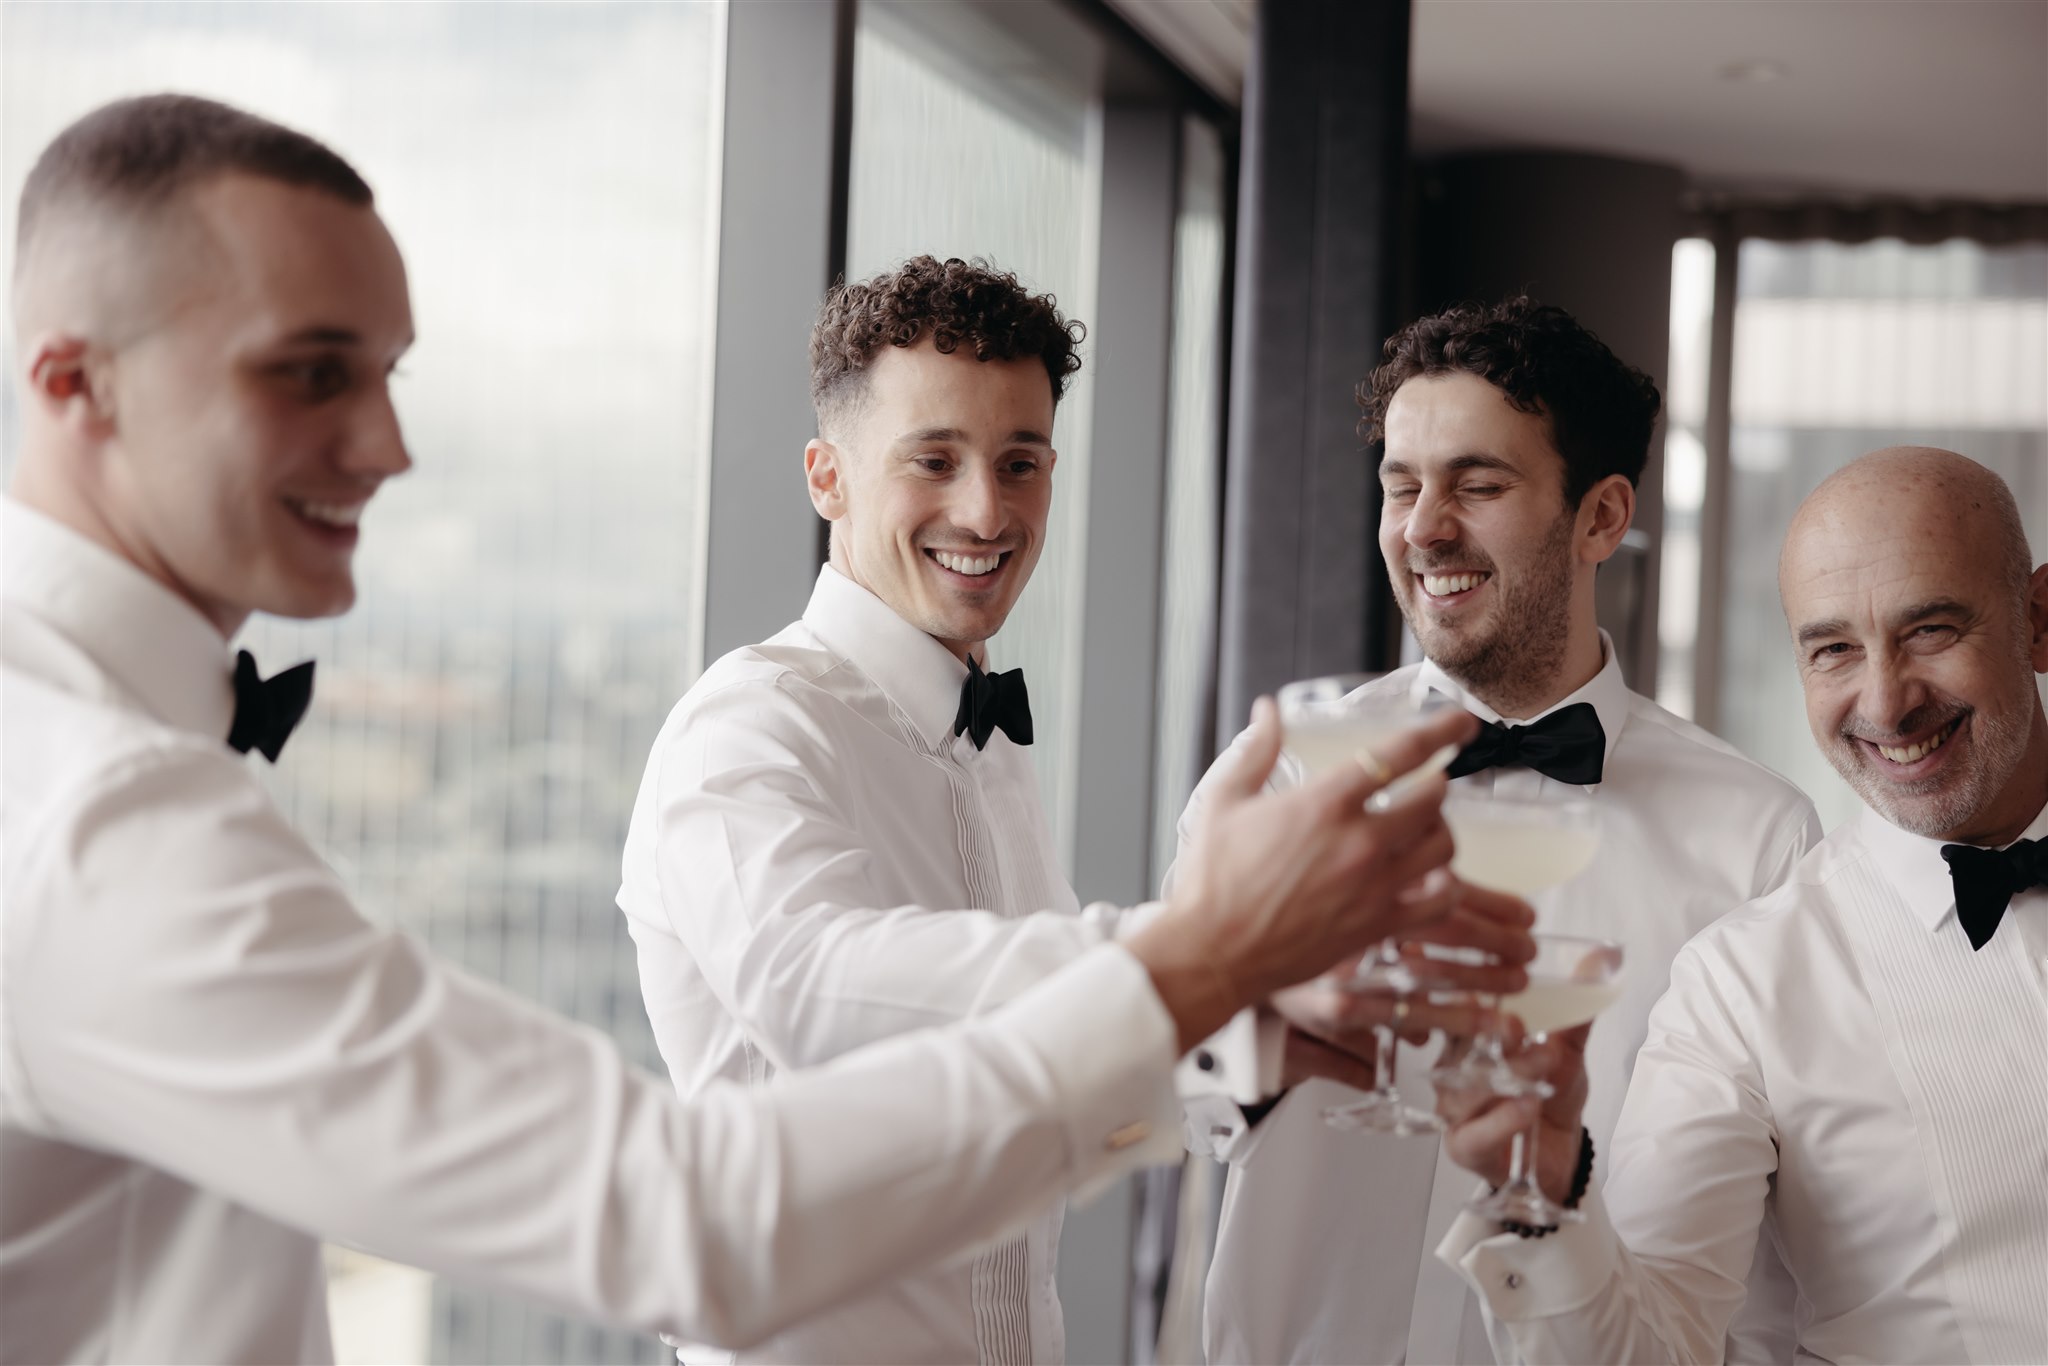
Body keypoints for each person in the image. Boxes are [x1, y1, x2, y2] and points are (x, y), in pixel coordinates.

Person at [0, 94, 1479, 1365]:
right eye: (311, 370)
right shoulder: (94, 816)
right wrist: (1201, 956)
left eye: (391, 374)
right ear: (74, 381)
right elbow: (726, 1141)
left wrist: (1234, 1047)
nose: (390, 446)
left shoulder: (97, 769)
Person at [615, 255, 1537, 1363]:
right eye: (933, 460)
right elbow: (816, 989)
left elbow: (1022, 1090)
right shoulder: (747, 725)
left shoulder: (982, 748)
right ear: (827, 476)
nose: (984, 509)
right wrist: (1204, 955)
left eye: (1020, 462)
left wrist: (1255, 1043)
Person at [1183, 298, 1822, 1364]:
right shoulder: (1283, 771)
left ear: (1600, 518)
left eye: (1476, 485)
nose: (1423, 526)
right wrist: (1260, 1027)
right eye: (1399, 485)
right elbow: (1159, 1089)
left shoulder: (1758, 839)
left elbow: (1762, 1244)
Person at [1435, 447, 2048, 1364]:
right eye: (1834, 648)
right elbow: (1652, 1346)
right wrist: (1545, 1202)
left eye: (1931, 631)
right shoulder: (1741, 985)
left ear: (2039, 621)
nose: (1885, 700)